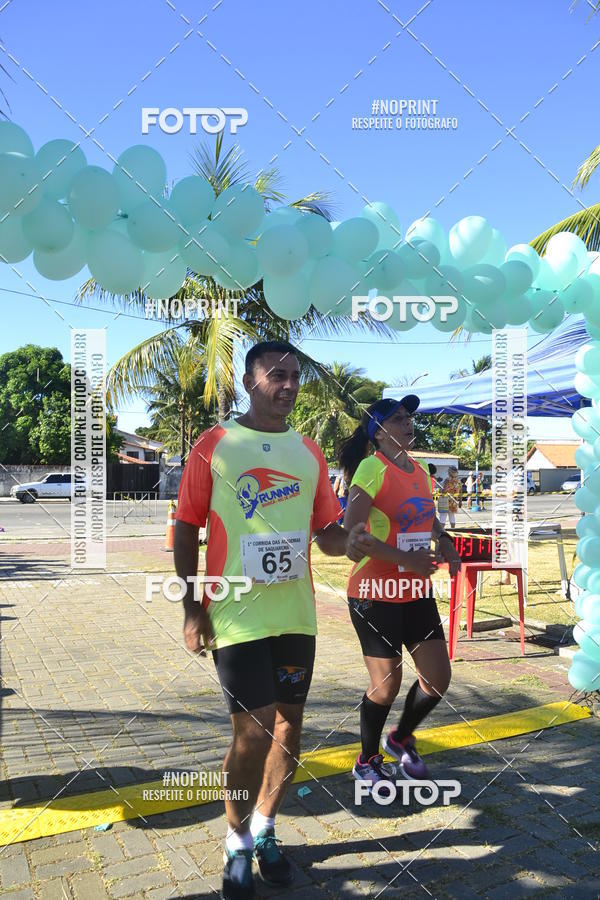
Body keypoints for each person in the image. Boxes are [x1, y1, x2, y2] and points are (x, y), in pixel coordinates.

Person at [174, 340, 371, 900]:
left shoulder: (308, 452)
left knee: (289, 727)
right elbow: (186, 527)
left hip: (296, 615)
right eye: (276, 376)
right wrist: (192, 607)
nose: (287, 386)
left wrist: (350, 540)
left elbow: (327, 535)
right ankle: (235, 844)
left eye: (295, 377)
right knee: (253, 729)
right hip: (233, 609)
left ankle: (265, 829)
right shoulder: (214, 445)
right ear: (249, 382)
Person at [339, 397, 461, 796]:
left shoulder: (421, 470)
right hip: (373, 592)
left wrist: (443, 540)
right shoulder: (371, 469)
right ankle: (367, 760)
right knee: (387, 685)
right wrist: (405, 557)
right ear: (378, 430)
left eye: (410, 417)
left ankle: (401, 737)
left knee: (437, 679)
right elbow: (353, 535)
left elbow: (430, 518)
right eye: (398, 418)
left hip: (414, 589)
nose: (409, 423)